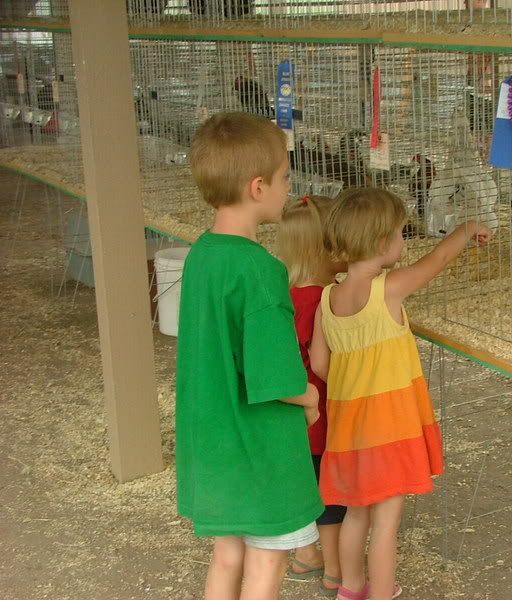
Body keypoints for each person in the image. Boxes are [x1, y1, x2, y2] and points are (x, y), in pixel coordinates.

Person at [310, 187, 492, 600]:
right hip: (389, 429)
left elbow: (319, 364)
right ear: (381, 243)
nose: (403, 241)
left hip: (349, 429)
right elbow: (438, 259)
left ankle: (350, 589)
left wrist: (355, 380)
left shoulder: (327, 298)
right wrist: (467, 228)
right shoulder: (387, 289)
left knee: (356, 512)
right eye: (399, 233)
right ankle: (382, 593)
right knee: (386, 522)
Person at [175, 112, 323, 600]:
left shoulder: (201, 256)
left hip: (214, 444)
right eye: (284, 178)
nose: (288, 188)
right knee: (266, 565)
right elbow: (276, 378)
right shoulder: (260, 270)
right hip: (258, 449)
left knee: (227, 556)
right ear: (258, 187)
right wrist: (309, 398)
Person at [277, 194, 347, 597]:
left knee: (306, 483)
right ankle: (336, 571)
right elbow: (323, 364)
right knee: (331, 494)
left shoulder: (285, 292)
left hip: (293, 414)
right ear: (326, 248)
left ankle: (306, 554)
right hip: (321, 413)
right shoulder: (322, 299)